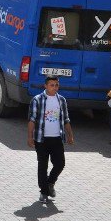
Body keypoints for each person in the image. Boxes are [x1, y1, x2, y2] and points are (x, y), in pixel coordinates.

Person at [28, 75, 74, 203]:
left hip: (57, 138)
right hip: (41, 139)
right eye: (52, 85)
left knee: (60, 163)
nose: (55, 88)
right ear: (46, 86)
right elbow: (32, 120)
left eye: (56, 85)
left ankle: (50, 183)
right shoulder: (37, 100)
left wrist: (70, 134)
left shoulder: (61, 100)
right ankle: (43, 192)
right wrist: (30, 137)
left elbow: (66, 119)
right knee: (43, 165)